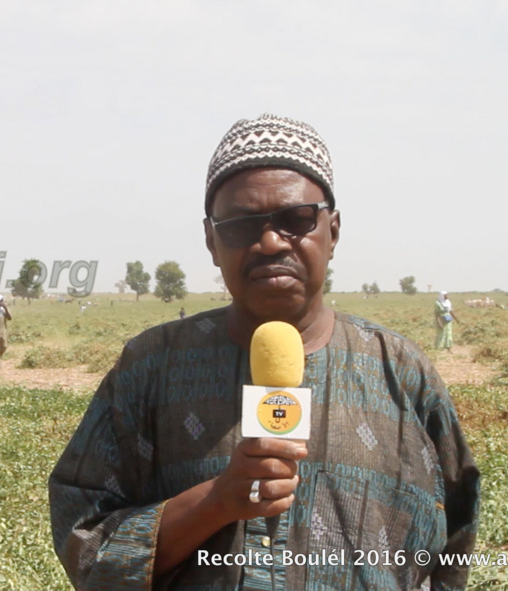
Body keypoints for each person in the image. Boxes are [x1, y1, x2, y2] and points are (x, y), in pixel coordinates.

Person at [48, 114, 479, 590]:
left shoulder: (401, 371)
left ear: (332, 232)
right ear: (212, 241)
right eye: (240, 225)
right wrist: (216, 502)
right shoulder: (150, 366)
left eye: (297, 220)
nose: (271, 242)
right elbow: (85, 540)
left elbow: (453, 541)